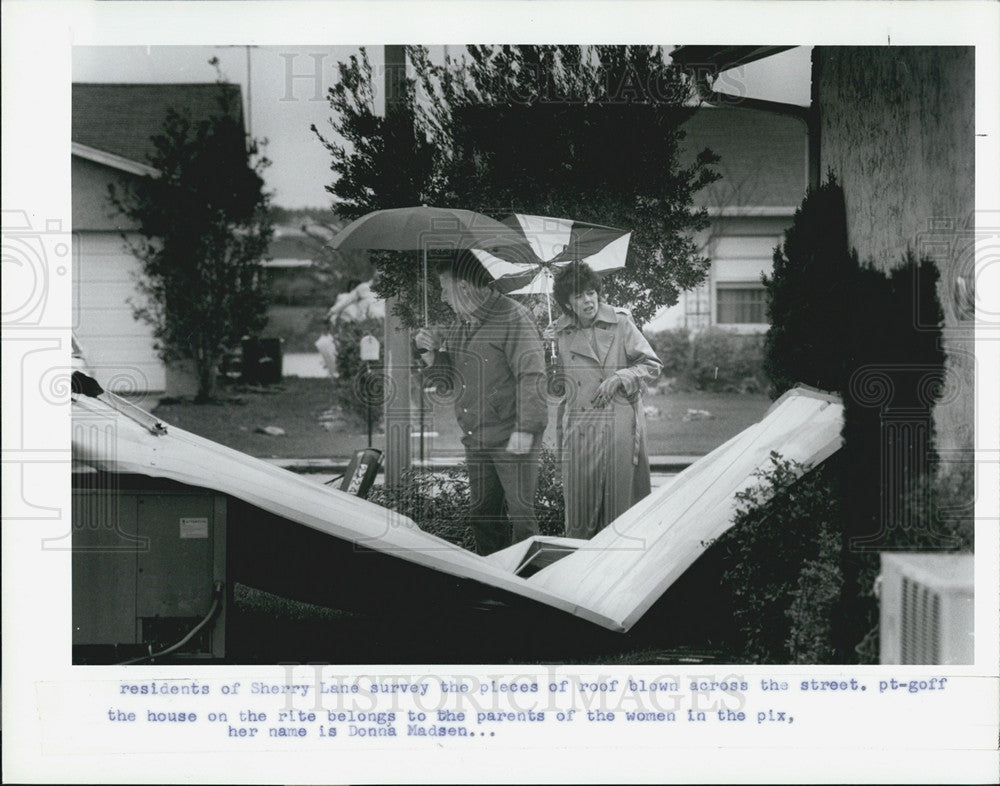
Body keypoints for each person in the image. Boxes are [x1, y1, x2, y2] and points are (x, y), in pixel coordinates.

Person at [414, 250, 548, 555]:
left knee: (522, 520)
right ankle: (495, 584)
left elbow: (533, 376)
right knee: (483, 519)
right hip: (477, 438)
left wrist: (526, 429)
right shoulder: (462, 325)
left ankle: (532, 590)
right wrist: (431, 354)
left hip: (513, 436)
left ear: (463, 286)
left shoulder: (514, 317)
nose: (444, 297)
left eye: (445, 288)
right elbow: (447, 383)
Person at [547, 261, 662, 540]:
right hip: (580, 427)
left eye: (590, 292)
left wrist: (620, 377)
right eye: (578, 296)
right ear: (567, 303)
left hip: (619, 425)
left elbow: (652, 364)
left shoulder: (621, 322)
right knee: (581, 506)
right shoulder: (558, 333)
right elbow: (554, 388)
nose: (587, 301)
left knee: (619, 504)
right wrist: (545, 350)